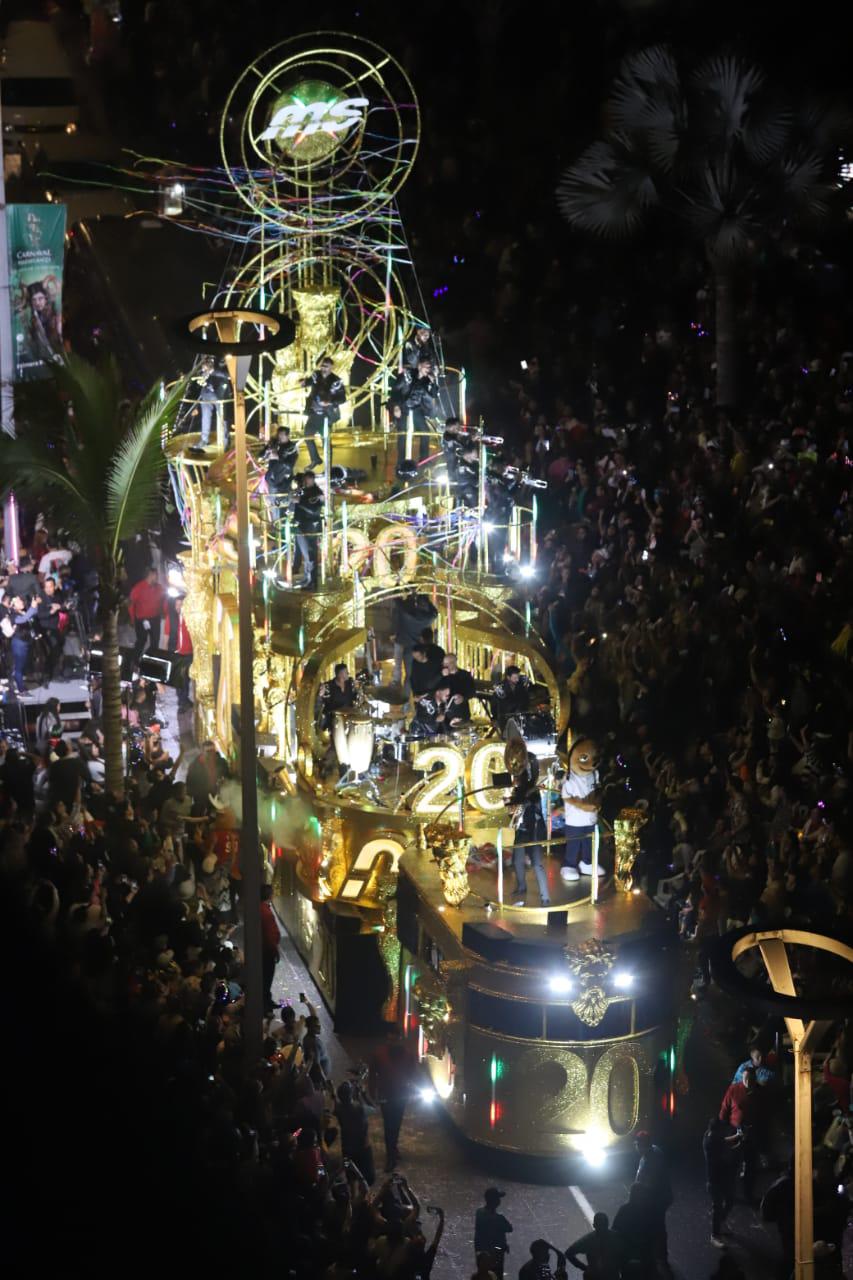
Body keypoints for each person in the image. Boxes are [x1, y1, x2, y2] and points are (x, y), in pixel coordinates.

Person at [369, 1025, 418, 1171]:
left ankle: (392, 1150)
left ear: (399, 1038)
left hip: (399, 1095)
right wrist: (372, 1093)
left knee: (394, 1125)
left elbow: (412, 1074)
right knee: (389, 1125)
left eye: (394, 1039)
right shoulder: (380, 1054)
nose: (392, 1042)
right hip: (388, 1095)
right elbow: (373, 1075)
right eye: (390, 1039)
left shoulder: (406, 1055)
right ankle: (391, 1155)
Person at [509, 753, 550, 907]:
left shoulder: (533, 790)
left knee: (537, 863)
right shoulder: (519, 790)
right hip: (522, 830)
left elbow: (533, 807)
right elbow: (514, 813)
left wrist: (520, 800)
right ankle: (521, 887)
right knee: (517, 861)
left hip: (534, 830)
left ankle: (545, 897)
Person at [719, 1065, 763, 1203]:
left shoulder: (759, 1091)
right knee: (732, 1165)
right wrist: (721, 1128)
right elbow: (724, 1109)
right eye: (746, 1078)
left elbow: (765, 1112)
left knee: (750, 1166)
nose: (748, 1082)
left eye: (751, 1079)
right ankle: (728, 1194)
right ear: (742, 1077)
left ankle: (748, 1194)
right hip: (735, 1131)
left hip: (752, 1132)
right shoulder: (734, 1089)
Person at [559, 739, 601, 882]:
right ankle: (569, 865)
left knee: (590, 842)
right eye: (584, 758)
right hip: (575, 820)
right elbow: (566, 797)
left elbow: (596, 790)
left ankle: (587, 863)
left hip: (591, 818)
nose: (591, 763)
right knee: (574, 843)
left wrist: (596, 802)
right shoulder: (569, 779)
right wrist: (581, 806)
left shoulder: (595, 774)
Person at [634, 1131, 673, 1271]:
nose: (636, 1147)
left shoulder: (652, 1160)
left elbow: (650, 1184)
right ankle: (658, 1255)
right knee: (657, 1227)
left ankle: (660, 1258)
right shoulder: (654, 1151)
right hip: (659, 1198)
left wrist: (638, 1195)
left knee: (657, 1228)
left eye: (638, 1144)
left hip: (656, 1200)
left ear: (643, 1145)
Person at [389, 357, 438, 462]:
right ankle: (401, 461)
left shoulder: (427, 380)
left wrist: (434, 382)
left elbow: (434, 395)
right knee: (402, 434)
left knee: (425, 432)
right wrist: (396, 406)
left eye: (430, 368)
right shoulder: (408, 375)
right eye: (427, 366)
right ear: (420, 365)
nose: (429, 369)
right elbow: (395, 390)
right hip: (403, 407)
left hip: (416, 409)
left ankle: (423, 460)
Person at [302, 355, 346, 466]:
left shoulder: (336, 381)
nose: (323, 368)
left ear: (331, 367)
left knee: (326, 441)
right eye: (322, 366)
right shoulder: (316, 375)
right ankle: (315, 459)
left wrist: (330, 402)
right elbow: (308, 381)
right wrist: (304, 382)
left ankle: (328, 468)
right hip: (314, 413)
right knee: (307, 435)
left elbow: (342, 398)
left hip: (326, 416)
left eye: (326, 366)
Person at [391, 591, 438, 687]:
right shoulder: (427, 618)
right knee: (417, 675)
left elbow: (397, 600)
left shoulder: (407, 612)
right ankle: (419, 694)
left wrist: (398, 588)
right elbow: (434, 613)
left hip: (407, 646)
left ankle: (404, 697)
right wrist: (426, 599)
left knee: (407, 673)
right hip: (421, 648)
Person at [704, 1115, 738, 1247]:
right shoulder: (712, 1142)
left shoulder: (710, 1135)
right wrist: (739, 1138)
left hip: (721, 1178)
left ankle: (721, 1223)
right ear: (717, 1131)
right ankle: (714, 1235)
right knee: (717, 1207)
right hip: (715, 1179)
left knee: (730, 1201)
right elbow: (727, 1145)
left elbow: (725, 1140)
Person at [611, 1183, 657, 1279]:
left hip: (635, 1249)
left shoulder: (626, 1209)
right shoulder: (647, 1209)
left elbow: (615, 1229)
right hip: (634, 1249)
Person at [335, 1079, 376, 1186]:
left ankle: (352, 1199)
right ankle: (364, 1199)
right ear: (351, 1095)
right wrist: (363, 1095)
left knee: (350, 1176)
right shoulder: (360, 1109)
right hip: (363, 1149)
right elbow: (374, 1108)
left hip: (347, 1150)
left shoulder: (339, 1110)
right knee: (367, 1178)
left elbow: (337, 1104)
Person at [564, 1211, 623, 1280]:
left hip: (594, 1276)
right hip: (611, 1276)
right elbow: (625, 1254)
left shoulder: (588, 1240)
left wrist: (585, 1268)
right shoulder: (616, 1238)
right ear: (607, 1224)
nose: (602, 1229)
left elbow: (569, 1253)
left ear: (594, 1225)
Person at [189, 355, 229, 452]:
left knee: (223, 418)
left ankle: (226, 442)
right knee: (205, 417)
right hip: (206, 393)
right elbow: (199, 373)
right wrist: (202, 376)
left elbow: (228, 375)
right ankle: (204, 440)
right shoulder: (204, 358)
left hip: (220, 394)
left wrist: (212, 371)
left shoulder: (224, 357)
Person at [293, 470, 324, 589]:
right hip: (302, 526)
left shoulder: (316, 493)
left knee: (310, 554)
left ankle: (312, 581)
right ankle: (307, 578)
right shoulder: (304, 491)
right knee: (306, 554)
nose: (305, 482)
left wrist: (299, 501)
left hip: (310, 527)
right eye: (304, 480)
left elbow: (313, 509)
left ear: (312, 480)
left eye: (307, 480)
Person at [473, 1187, 513, 1278]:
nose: (499, 1200)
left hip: (481, 1254)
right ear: (495, 1201)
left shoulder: (479, 1212)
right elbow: (510, 1228)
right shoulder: (499, 1218)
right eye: (498, 1198)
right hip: (496, 1254)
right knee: (496, 1275)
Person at [128, 568, 165, 659]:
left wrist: (164, 612)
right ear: (151, 576)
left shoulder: (159, 587)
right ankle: (134, 661)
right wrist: (133, 619)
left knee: (155, 642)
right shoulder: (138, 588)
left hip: (155, 619)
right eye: (156, 576)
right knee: (141, 641)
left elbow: (164, 601)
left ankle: (149, 661)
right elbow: (131, 604)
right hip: (141, 620)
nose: (157, 578)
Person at [186, 739, 228, 815]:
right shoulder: (194, 766)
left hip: (217, 797)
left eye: (212, 751)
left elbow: (227, 775)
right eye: (208, 751)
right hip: (201, 799)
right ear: (202, 751)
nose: (211, 754)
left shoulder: (221, 762)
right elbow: (189, 784)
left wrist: (224, 781)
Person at [7, 593, 38, 696]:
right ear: (14, 605)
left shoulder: (23, 612)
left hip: (25, 642)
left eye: (21, 601)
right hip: (18, 643)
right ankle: (21, 690)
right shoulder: (13, 615)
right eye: (19, 602)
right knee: (19, 668)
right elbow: (23, 620)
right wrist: (32, 608)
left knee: (21, 666)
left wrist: (34, 606)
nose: (22, 602)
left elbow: (32, 615)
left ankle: (18, 682)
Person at [264, 427, 297, 522]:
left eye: (282, 435)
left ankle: (283, 525)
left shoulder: (292, 447)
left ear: (287, 435)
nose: (280, 437)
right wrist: (267, 451)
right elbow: (261, 454)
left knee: (283, 502)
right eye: (279, 435)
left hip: (284, 479)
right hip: (273, 478)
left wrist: (278, 457)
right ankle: (276, 525)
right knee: (274, 503)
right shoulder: (275, 444)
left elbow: (290, 465)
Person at [36, 577, 64, 683]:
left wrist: (60, 606)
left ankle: (53, 672)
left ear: (54, 586)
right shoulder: (41, 597)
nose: (48, 589)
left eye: (50, 586)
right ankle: (48, 674)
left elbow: (62, 606)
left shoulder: (57, 595)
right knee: (51, 651)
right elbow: (38, 615)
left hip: (55, 627)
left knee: (57, 650)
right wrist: (50, 612)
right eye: (46, 587)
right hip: (45, 628)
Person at [260, 884, 281, 1014]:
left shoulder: (262, 909)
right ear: (269, 895)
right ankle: (266, 1004)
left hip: (265, 949)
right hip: (267, 951)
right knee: (267, 977)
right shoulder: (266, 912)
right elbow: (270, 935)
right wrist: (275, 950)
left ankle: (267, 1000)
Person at [441, 654, 476, 723]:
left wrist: (463, 697)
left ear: (454, 663)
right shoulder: (441, 676)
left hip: (461, 712)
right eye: (444, 663)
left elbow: (472, 692)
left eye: (448, 663)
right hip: (445, 713)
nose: (446, 666)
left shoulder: (465, 675)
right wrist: (442, 677)